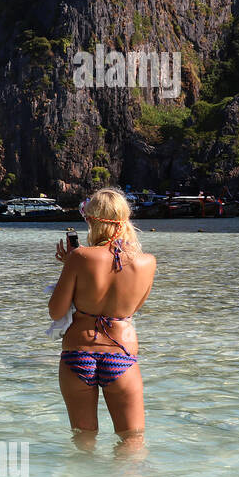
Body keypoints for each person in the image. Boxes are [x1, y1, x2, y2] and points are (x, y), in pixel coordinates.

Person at [48, 187, 157, 443]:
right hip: (121, 353)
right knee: (132, 441)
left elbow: (57, 311)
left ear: (91, 220)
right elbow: (130, 309)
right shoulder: (147, 262)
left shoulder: (80, 257)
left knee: (83, 439)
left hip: (78, 353)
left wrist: (71, 267)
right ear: (125, 219)